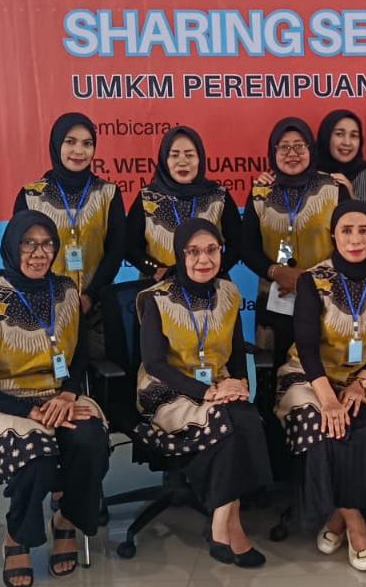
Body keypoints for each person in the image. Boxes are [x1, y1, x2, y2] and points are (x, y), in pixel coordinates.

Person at [0, 210, 109, 586]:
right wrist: (31, 411)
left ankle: (65, 519)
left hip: (57, 395)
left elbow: (79, 357)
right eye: (29, 243)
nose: (39, 253)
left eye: (47, 244)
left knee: (90, 440)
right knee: (36, 456)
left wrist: (68, 394)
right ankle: (18, 537)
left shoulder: (67, 292)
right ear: (12, 247)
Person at [276, 201, 366, 571]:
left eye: (363, 230)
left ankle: (337, 518)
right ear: (333, 235)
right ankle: (356, 522)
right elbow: (306, 346)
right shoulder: (312, 280)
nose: (355, 239)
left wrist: (362, 383)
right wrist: (328, 400)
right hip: (309, 375)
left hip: (359, 379)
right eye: (346, 230)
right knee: (326, 426)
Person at [136, 219, 270, 568]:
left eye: (211, 250)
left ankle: (223, 520)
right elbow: (155, 364)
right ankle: (229, 525)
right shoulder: (156, 299)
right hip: (167, 390)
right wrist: (207, 391)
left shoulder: (229, 292)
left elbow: (237, 350)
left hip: (218, 384)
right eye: (193, 252)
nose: (203, 260)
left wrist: (240, 384)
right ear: (180, 255)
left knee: (247, 416)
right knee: (227, 424)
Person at [13, 112, 125, 361]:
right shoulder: (31, 196)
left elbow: (116, 250)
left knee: (101, 372)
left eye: (87, 143)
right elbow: (19, 253)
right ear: (56, 145)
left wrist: (89, 296)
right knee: (50, 372)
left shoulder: (108, 194)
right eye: (70, 142)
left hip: (96, 309)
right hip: (46, 309)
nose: (79, 151)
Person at [242, 117, 348, 356]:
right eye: (284, 147)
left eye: (299, 146)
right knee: (273, 367)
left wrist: (309, 280)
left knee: (322, 367)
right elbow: (246, 246)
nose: (292, 153)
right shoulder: (261, 193)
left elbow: (349, 244)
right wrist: (276, 272)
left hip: (325, 297)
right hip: (274, 297)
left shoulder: (333, 189)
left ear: (311, 149)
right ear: (273, 152)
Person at [125, 126, 242, 280]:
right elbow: (129, 245)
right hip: (158, 287)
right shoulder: (147, 198)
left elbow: (239, 243)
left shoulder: (218, 196)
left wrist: (216, 269)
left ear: (200, 159)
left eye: (189, 155)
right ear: (165, 160)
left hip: (211, 286)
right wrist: (154, 269)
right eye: (174, 155)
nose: (182, 161)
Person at [316, 109, 366, 211]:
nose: (347, 143)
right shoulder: (310, 174)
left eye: (354, 136)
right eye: (339, 134)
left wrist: (351, 197)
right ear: (326, 136)